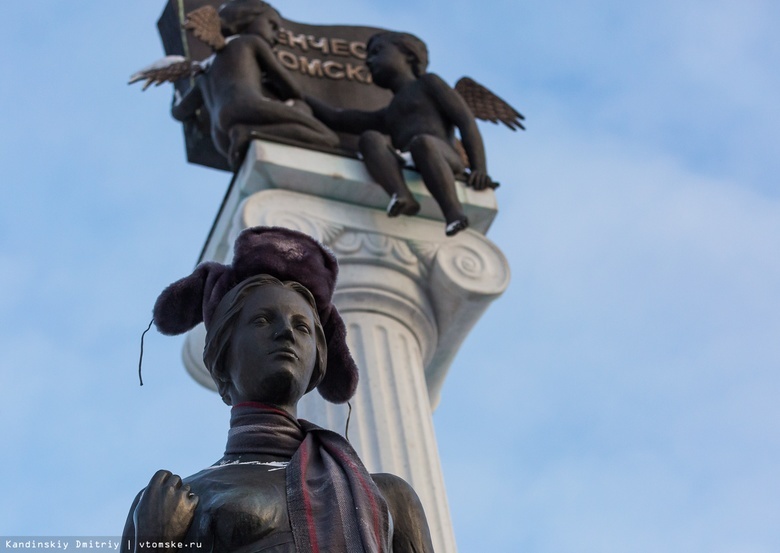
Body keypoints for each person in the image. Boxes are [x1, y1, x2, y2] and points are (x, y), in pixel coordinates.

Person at [121, 227, 434, 553]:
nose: (286, 332)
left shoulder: (389, 497)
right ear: (222, 355)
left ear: (317, 361)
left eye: (302, 326)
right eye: (261, 321)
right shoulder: (170, 499)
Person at [306, 31, 496, 236]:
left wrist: (480, 169)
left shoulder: (429, 83)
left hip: (443, 157)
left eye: (377, 52)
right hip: (410, 159)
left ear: (409, 55)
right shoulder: (389, 113)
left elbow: (465, 121)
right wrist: (296, 92)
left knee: (422, 143)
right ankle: (401, 195)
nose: (369, 61)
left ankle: (453, 212)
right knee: (370, 138)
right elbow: (336, 117)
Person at [171, 1, 339, 169]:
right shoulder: (251, 42)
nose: (276, 35)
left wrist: (177, 98)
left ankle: (248, 136)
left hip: (222, 137)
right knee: (327, 137)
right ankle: (248, 133)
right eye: (272, 25)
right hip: (248, 108)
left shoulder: (204, 72)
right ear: (245, 19)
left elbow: (180, 112)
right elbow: (291, 88)